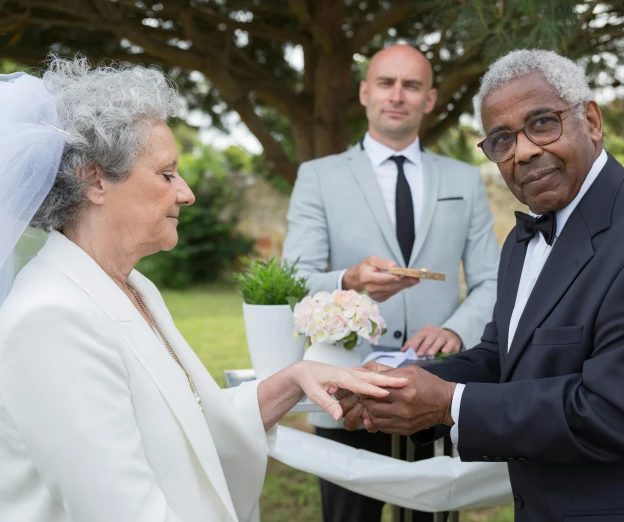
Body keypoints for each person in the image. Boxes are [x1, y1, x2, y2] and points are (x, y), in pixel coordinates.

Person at [0, 58, 408, 522]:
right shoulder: (49, 319)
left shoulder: (133, 285)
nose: (187, 193)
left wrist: (295, 380)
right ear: (94, 180)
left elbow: (188, 420)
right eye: (167, 174)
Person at [341, 49, 624, 522]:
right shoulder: (522, 236)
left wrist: (448, 404)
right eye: (502, 139)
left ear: (591, 120)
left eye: (542, 123)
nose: (524, 150)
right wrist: (399, 386)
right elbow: (500, 357)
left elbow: (614, 412)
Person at [282, 44, 500, 522]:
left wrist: (458, 331)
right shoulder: (318, 177)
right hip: (343, 386)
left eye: (411, 85)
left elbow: (492, 281)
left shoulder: (464, 180)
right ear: (365, 92)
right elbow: (293, 278)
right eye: (385, 83)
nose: (397, 95)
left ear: (431, 98)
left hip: (436, 385)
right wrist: (348, 279)